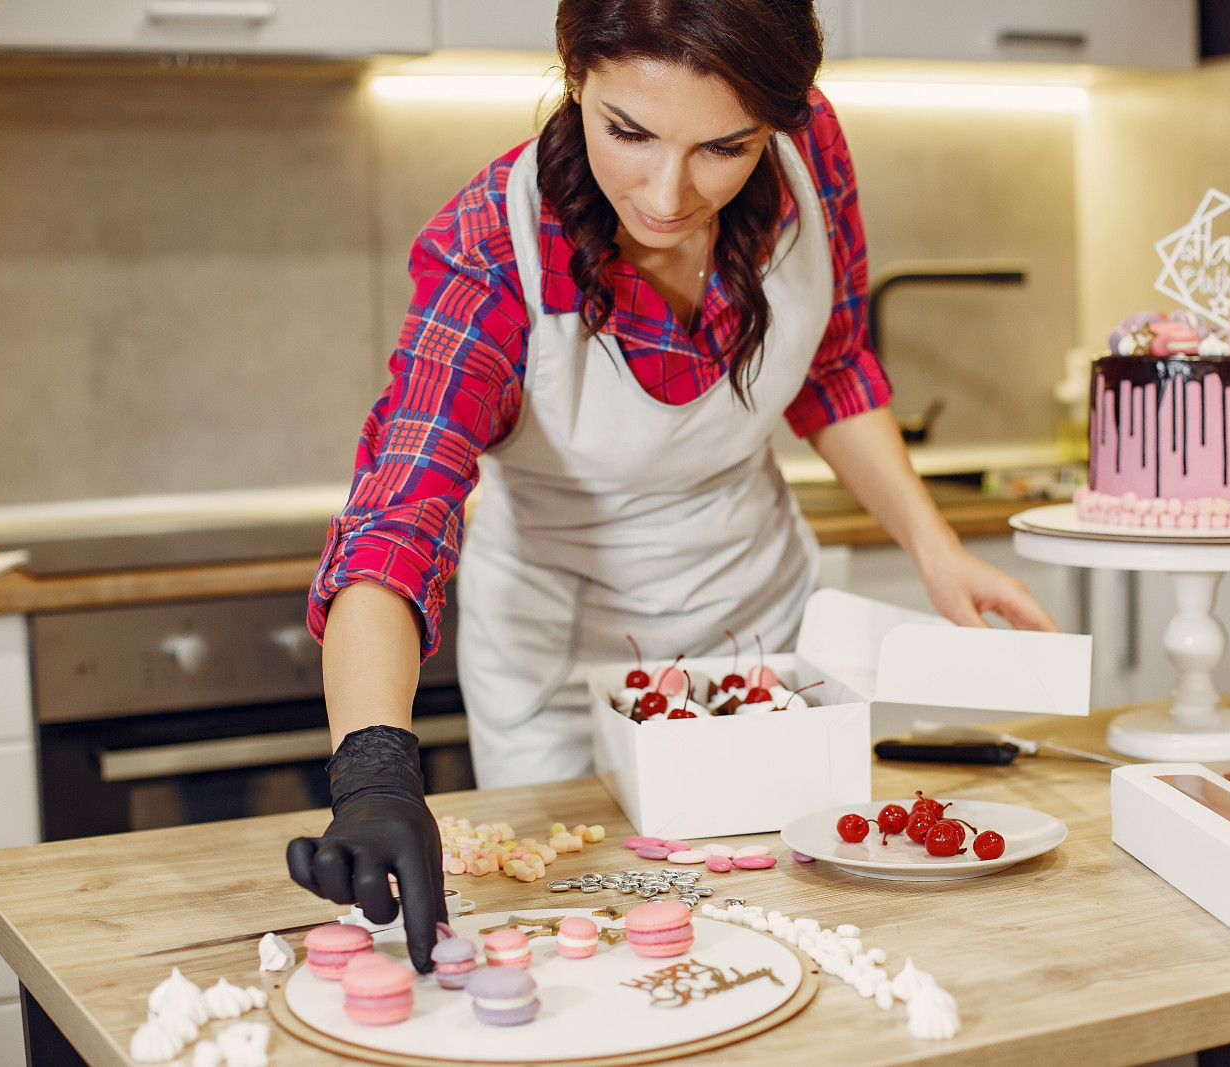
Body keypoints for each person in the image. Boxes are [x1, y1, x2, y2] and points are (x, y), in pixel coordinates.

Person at [287, 0, 1057, 973]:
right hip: (559, 667)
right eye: (629, 132)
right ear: (576, 82)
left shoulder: (808, 144)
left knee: (788, 943)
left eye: (723, 149)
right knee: (603, 955)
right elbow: (399, 513)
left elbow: (831, 365)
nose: (665, 192)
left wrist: (936, 551)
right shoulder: (492, 249)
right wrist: (373, 768)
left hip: (753, 627)